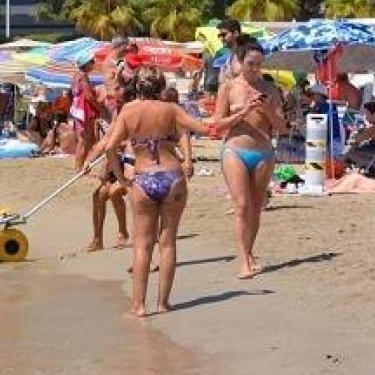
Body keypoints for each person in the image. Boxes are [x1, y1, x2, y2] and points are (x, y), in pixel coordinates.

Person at [94, 67, 257, 316]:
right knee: (167, 243)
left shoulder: (128, 111)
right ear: (160, 87)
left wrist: (121, 178)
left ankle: (138, 306)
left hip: (143, 179)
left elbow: (110, 147)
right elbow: (207, 129)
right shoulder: (171, 110)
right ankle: (163, 303)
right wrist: (243, 112)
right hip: (173, 178)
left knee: (142, 246)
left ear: (136, 87)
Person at [214, 43, 286, 279]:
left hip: (263, 152)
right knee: (242, 206)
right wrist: (243, 112)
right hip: (235, 150)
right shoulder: (228, 88)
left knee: (256, 207)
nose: (255, 69)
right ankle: (243, 260)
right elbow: (218, 124)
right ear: (240, 62)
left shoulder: (270, 89)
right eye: (250, 64)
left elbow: (281, 127)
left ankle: (249, 251)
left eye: (258, 64)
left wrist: (266, 110)